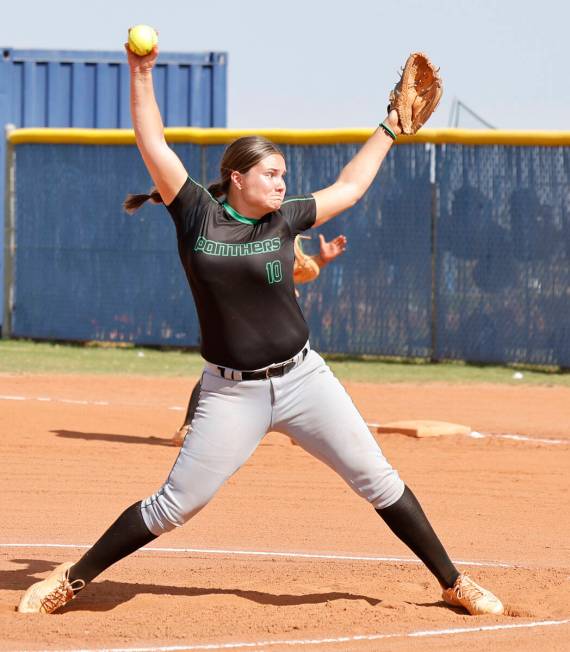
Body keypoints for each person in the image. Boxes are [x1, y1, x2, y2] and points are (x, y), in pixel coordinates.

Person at [17, 39, 504, 617]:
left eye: (284, 175)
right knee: (175, 505)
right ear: (236, 177)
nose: (281, 183)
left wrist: (390, 129)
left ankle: (452, 581)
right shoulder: (195, 211)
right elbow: (153, 141)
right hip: (230, 392)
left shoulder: (285, 217)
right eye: (271, 174)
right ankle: (71, 580)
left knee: (377, 478)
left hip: (305, 381)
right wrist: (141, 73)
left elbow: (349, 187)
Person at [170, 232, 348, 446]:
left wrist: (321, 259)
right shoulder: (241, 227)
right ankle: (190, 426)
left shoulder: (281, 227)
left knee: (300, 370)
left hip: (278, 316)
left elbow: (295, 271)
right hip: (243, 313)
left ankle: (303, 425)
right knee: (223, 371)